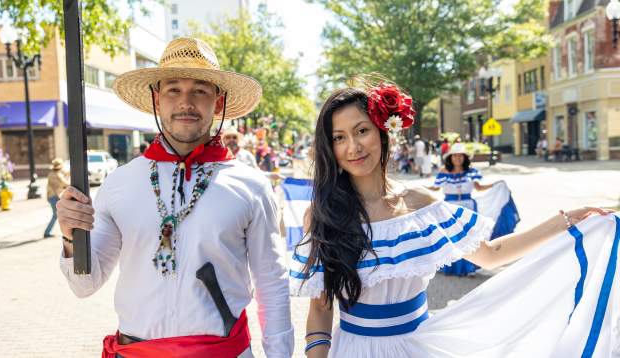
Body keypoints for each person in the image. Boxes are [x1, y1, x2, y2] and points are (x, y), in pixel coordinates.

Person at [288, 85, 615, 358]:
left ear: (383, 132)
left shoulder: (422, 204)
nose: (353, 146)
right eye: (339, 137)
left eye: (361, 131)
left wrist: (566, 221)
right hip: (354, 350)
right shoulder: (322, 216)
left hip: (420, 345)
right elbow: (320, 309)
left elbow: (491, 254)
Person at [56, 38, 293, 357]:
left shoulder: (250, 185)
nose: (186, 102)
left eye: (200, 89)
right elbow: (84, 285)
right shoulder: (120, 183)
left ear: (218, 102)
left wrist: (279, 353)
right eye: (173, 89)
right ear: (156, 99)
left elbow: (272, 281)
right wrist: (71, 239)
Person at [427, 143, 518, 276]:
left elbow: (479, 187)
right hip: (449, 208)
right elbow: (435, 188)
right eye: (455, 156)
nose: (458, 158)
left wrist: (496, 184)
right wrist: (419, 189)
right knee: (452, 237)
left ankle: (469, 267)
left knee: (469, 237)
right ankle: (453, 267)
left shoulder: (471, 171)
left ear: (464, 158)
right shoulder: (443, 171)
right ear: (450, 157)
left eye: (460, 156)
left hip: (468, 207)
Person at [44, 158, 70, 238]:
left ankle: (48, 232)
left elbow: (64, 175)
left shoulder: (53, 173)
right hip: (53, 197)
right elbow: (65, 183)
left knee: (58, 215)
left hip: (52, 196)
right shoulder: (57, 175)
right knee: (56, 215)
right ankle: (47, 233)